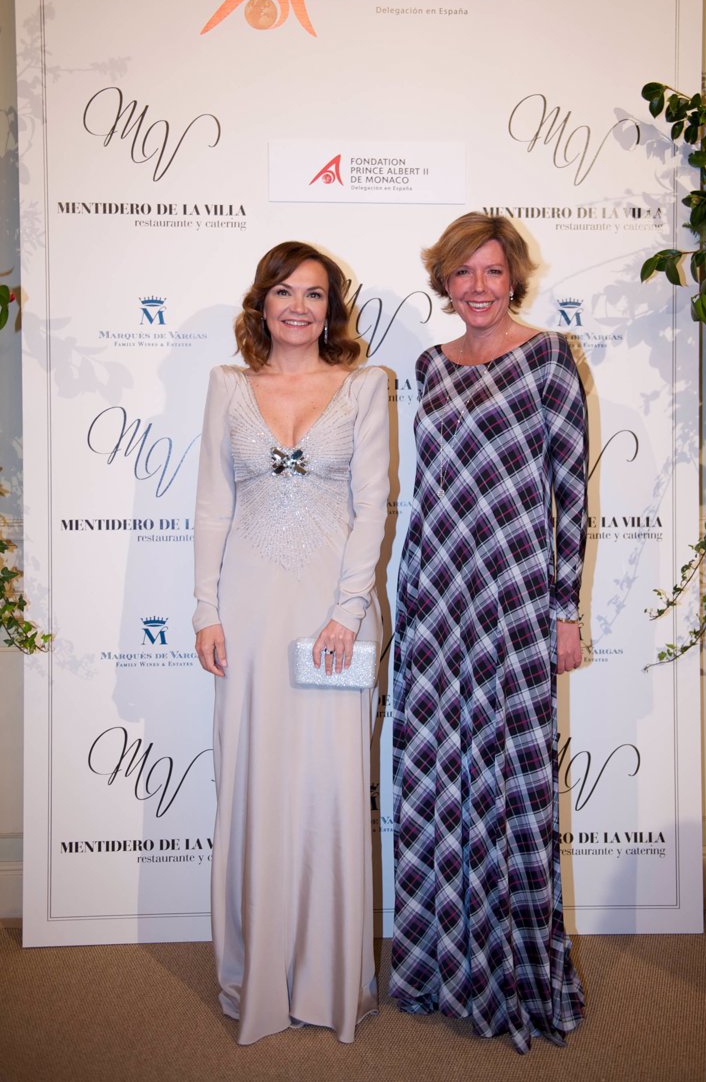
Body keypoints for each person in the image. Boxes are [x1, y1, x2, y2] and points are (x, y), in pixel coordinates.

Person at [390, 212, 588, 1053]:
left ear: (514, 280)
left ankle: (516, 975)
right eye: (463, 272)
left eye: (493, 272)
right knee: (438, 772)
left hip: (515, 598)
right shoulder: (430, 367)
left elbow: (570, 491)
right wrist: (410, 593)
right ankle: (441, 967)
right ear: (445, 281)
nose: (478, 287)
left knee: (513, 781)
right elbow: (433, 487)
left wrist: (564, 610)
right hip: (438, 595)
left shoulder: (549, 359)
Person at [193, 240, 389, 1045]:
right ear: (262, 303)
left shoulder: (367, 386)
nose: (299, 307)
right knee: (254, 781)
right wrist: (205, 611)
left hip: (335, 617)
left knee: (331, 787)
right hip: (247, 612)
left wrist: (347, 611)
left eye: (314, 294)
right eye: (284, 292)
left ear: (331, 308)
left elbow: (374, 506)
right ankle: (259, 979)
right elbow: (212, 505)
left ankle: (329, 982)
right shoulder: (227, 386)